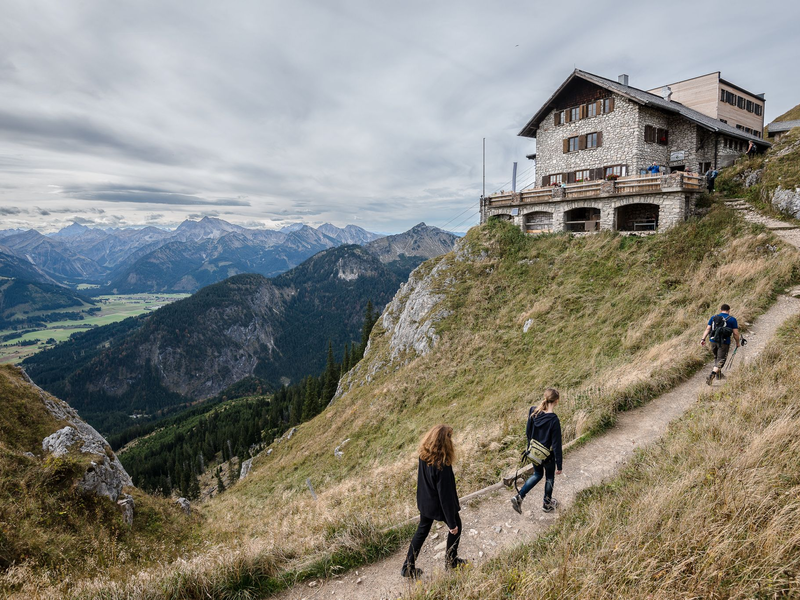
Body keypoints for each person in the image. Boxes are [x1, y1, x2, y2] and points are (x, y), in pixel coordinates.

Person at [401, 424, 468, 579]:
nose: (451, 441)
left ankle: (407, 567)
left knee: (422, 531)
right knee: (457, 525)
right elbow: (445, 497)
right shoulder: (442, 465)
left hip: (425, 501)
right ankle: (451, 562)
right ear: (443, 442)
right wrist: (451, 523)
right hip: (437, 504)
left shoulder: (424, 455)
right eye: (449, 437)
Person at [510, 388, 563, 515]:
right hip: (547, 456)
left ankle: (519, 497)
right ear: (556, 401)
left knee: (537, 474)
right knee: (549, 477)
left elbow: (528, 432)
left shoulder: (533, 411)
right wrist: (559, 465)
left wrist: (531, 448)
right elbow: (556, 445)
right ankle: (546, 504)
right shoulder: (554, 420)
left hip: (533, 451)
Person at [701, 303, 740, 385]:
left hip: (713, 341)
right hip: (724, 342)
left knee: (716, 357)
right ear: (729, 310)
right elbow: (735, 333)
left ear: (720, 310)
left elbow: (708, 329)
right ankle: (712, 375)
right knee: (721, 359)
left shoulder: (714, 317)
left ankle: (719, 375)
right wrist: (737, 343)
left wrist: (703, 339)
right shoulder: (732, 319)